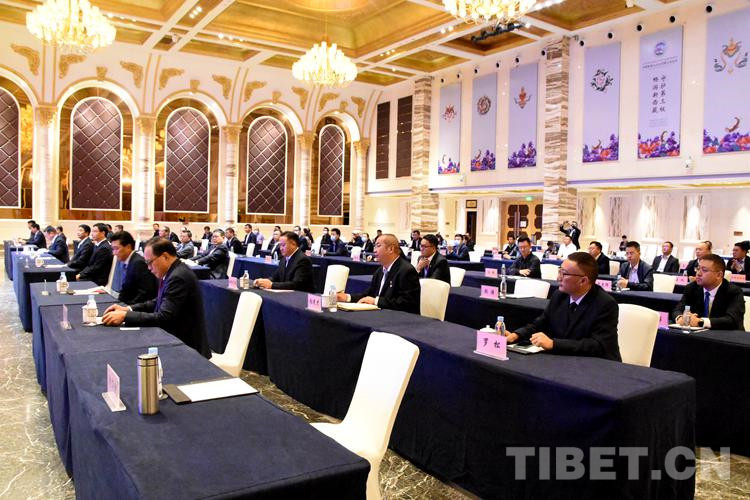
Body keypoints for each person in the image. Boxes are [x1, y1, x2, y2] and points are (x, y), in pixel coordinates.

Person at [102, 239, 210, 357]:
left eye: (150, 262)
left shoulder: (178, 277)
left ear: (165, 256)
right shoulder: (173, 271)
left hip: (187, 347)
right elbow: (158, 301)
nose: (148, 268)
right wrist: (128, 309)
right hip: (175, 337)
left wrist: (125, 316)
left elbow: (164, 317)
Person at [506, 252, 621, 361]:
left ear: (583, 281)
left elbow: (597, 345)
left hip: (597, 365)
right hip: (566, 359)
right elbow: (541, 323)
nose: (558, 278)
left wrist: (554, 344)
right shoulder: (559, 295)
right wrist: (516, 335)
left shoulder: (605, 304)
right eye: (559, 271)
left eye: (564, 274)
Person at [337, 234, 420, 313]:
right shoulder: (379, 271)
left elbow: (408, 303)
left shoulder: (406, 271)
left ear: (391, 249)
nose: (374, 250)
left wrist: (376, 301)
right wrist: (347, 298)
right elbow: (369, 294)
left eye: (378, 246)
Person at [672, 254, 746, 331]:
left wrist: (701, 322)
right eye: (698, 268)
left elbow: (733, 320)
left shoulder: (733, 291)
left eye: (704, 270)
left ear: (719, 275)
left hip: (727, 335)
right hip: (698, 335)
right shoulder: (692, 287)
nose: (698, 273)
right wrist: (680, 318)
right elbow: (677, 310)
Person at [109, 231, 158, 305]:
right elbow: (125, 289)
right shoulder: (127, 261)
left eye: (116, 248)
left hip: (138, 307)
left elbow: (146, 292)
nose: (114, 253)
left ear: (128, 247)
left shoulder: (138, 263)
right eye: (113, 249)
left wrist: (128, 307)